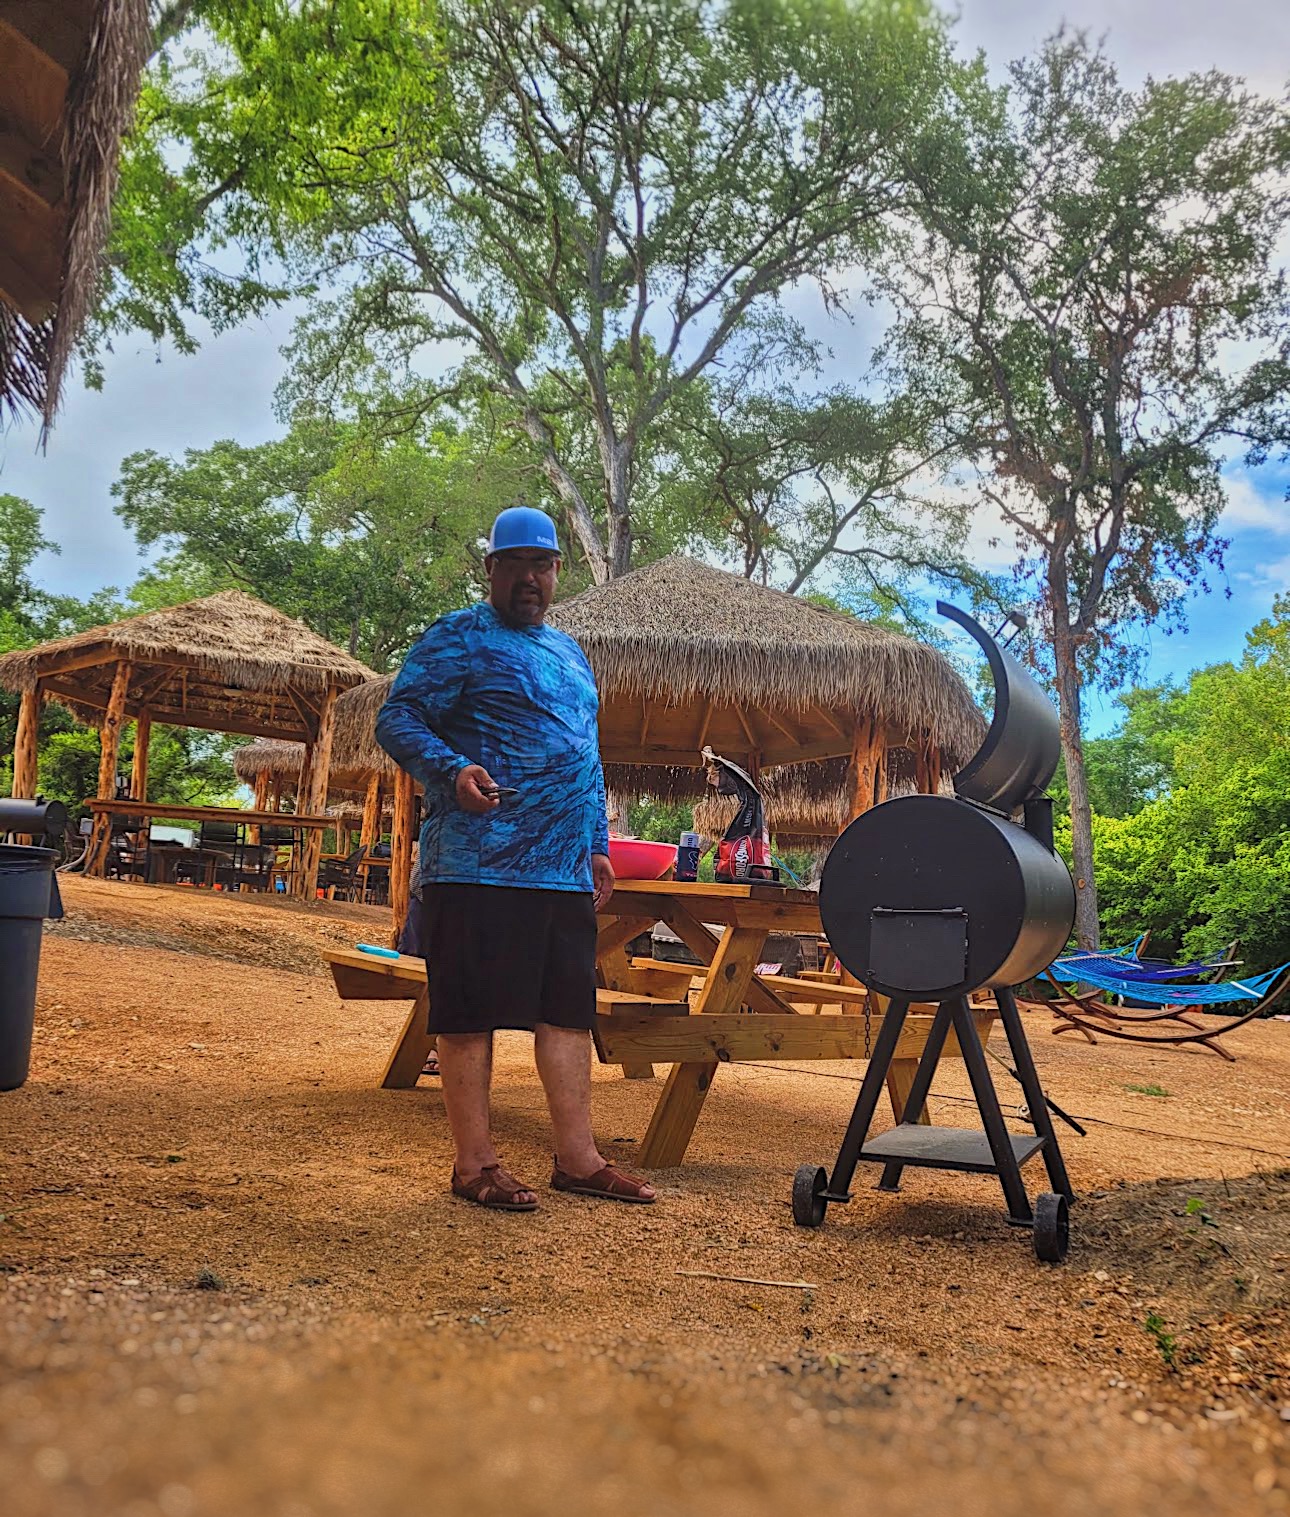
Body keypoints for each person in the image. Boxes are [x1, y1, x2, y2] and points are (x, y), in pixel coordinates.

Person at [375, 505, 656, 1211]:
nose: (531, 577)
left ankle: (579, 1158)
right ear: (491, 568)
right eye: (517, 563)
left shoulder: (569, 653)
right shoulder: (458, 636)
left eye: (544, 564)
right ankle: (475, 1165)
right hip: (476, 862)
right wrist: (451, 768)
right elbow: (397, 717)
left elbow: (586, 755)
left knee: (566, 1010)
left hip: (561, 869)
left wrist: (596, 844)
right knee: (468, 1014)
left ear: (557, 570)